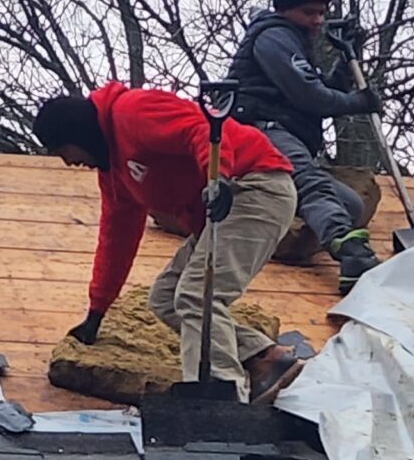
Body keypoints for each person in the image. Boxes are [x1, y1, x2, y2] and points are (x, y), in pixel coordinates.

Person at [33, 83, 304, 403]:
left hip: (254, 187)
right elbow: (115, 240)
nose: (68, 162)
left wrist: (220, 178)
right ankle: (264, 358)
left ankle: (219, 395)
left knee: (196, 293)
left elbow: (200, 129)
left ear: (75, 133)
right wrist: (97, 310)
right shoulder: (116, 174)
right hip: (227, 203)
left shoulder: (132, 112)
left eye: (63, 151)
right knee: (166, 296)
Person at [225, 0, 382, 291]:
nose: (318, 21)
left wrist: (346, 61)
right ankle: (351, 254)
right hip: (258, 132)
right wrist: (360, 102)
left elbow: (320, 91)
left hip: (283, 134)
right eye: (309, 12)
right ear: (285, 8)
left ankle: (273, 215)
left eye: (322, 12)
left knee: (351, 205)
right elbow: (310, 96)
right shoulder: (274, 37)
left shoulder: (293, 38)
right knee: (312, 185)